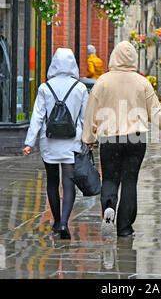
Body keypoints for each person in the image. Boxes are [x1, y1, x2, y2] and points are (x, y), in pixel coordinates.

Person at [82, 41, 161, 237]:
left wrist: (88, 138)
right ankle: (125, 228)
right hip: (136, 138)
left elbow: (91, 114)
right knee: (130, 181)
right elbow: (155, 113)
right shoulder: (142, 82)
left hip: (110, 137)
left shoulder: (103, 81)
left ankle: (108, 207)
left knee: (110, 178)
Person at [22, 48, 89, 240]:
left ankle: (56, 220)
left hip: (49, 141)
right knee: (69, 182)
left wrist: (29, 142)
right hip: (72, 141)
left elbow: (37, 117)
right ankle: (64, 223)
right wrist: (88, 139)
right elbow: (85, 118)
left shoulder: (45, 87)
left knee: (52, 181)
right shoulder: (80, 88)